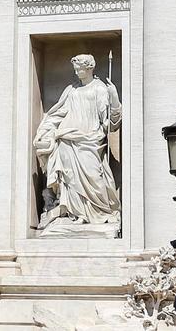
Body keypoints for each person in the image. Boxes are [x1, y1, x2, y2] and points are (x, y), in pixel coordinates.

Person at [33, 54, 123, 232]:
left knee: (94, 177)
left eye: (79, 68)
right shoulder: (71, 90)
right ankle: (76, 214)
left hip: (90, 140)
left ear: (89, 68)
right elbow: (57, 114)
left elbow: (111, 123)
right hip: (67, 139)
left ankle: (98, 211)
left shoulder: (100, 89)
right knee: (70, 179)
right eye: (75, 69)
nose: (76, 72)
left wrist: (114, 98)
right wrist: (45, 132)